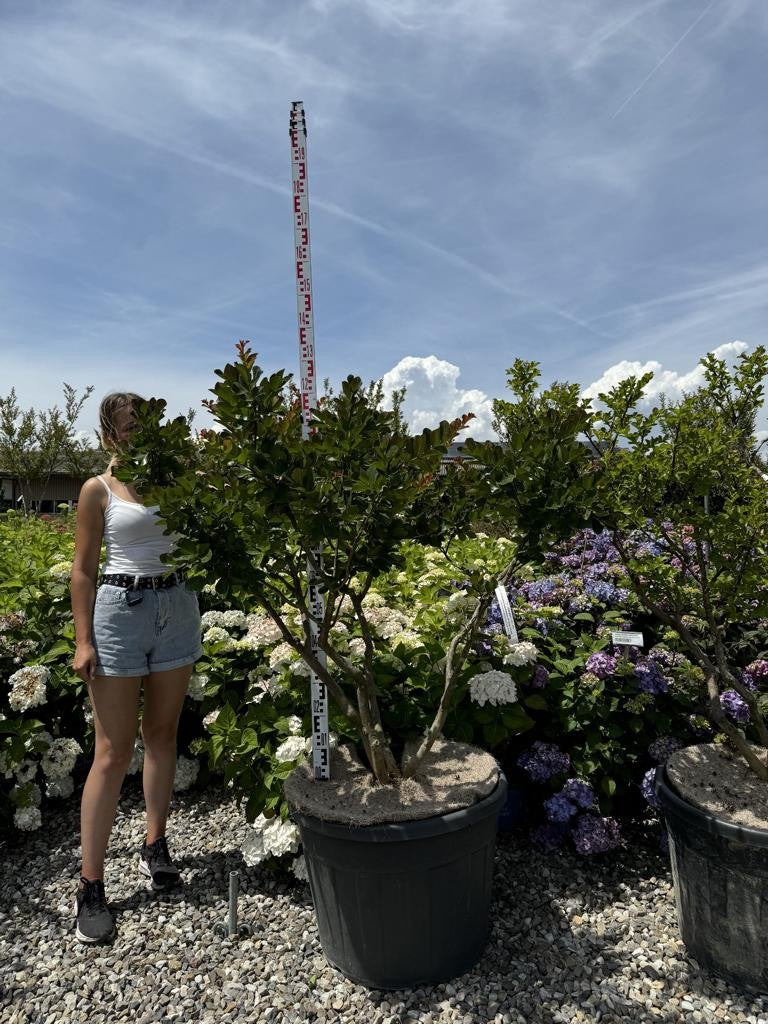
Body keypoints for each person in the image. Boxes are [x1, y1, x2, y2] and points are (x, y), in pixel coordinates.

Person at [70, 392, 202, 944]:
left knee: (163, 735)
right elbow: (82, 570)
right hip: (120, 613)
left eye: (141, 425)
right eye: (125, 426)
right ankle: (91, 883)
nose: (134, 433)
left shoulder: (177, 480)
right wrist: (83, 640)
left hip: (177, 608)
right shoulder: (97, 490)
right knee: (111, 751)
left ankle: (155, 844)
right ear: (108, 432)